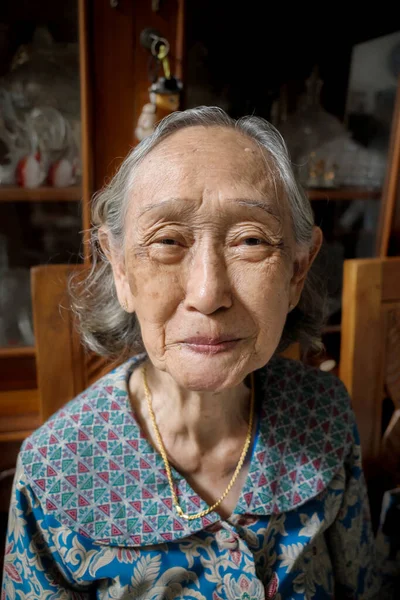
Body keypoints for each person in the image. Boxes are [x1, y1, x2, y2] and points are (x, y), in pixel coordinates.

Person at [2, 107, 379, 599]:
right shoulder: (53, 472)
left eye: (249, 240)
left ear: (297, 271)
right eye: (168, 241)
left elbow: (364, 587)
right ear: (120, 270)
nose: (208, 293)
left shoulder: (325, 412)